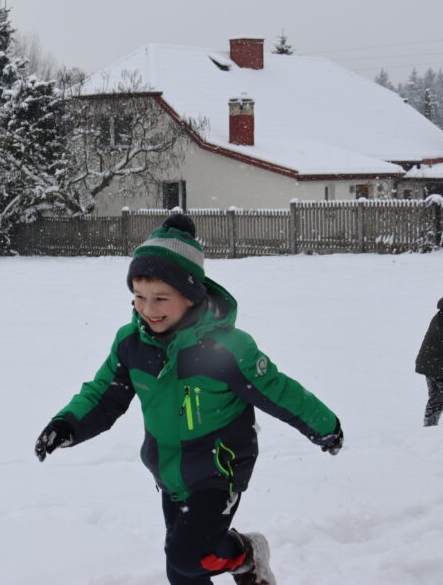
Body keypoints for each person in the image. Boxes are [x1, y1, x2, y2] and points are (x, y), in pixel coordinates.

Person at [34, 214, 342, 585]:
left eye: (161, 298)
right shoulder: (131, 343)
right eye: (139, 297)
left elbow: (277, 391)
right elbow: (104, 395)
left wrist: (324, 426)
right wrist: (66, 424)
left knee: (191, 557)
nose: (148, 309)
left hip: (219, 470)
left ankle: (245, 555)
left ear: (191, 295)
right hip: (168, 471)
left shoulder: (227, 348)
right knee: (182, 574)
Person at [414, 298, 443, 426]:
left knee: (437, 398)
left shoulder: (439, 316)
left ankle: (429, 429)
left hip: (429, 364)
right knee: (437, 398)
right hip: (436, 365)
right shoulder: (441, 319)